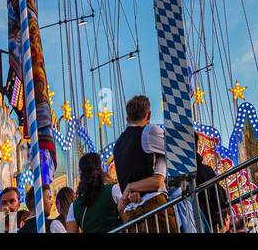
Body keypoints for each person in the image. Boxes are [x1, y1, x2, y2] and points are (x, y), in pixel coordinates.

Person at [113, 93, 177, 233]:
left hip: (132, 215)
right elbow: (175, 149)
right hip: (153, 207)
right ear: (148, 115)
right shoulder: (149, 131)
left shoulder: (117, 145)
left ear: (127, 118)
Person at [66, 152, 123, 233]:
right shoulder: (113, 190)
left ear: (82, 175)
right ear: (100, 170)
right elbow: (128, 218)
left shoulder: (73, 207)